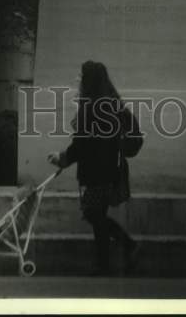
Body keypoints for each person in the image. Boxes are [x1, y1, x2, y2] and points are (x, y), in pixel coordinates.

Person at [47, 60, 140, 275]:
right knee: (96, 215)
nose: (77, 79)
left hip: (97, 172)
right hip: (111, 170)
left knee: (94, 215)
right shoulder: (112, 103)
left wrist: (62, 158)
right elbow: (131, 129)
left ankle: (122, 250)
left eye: (81, 75)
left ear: (89, 79)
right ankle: (109, 260)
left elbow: (81, 143)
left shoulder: (91, 107)